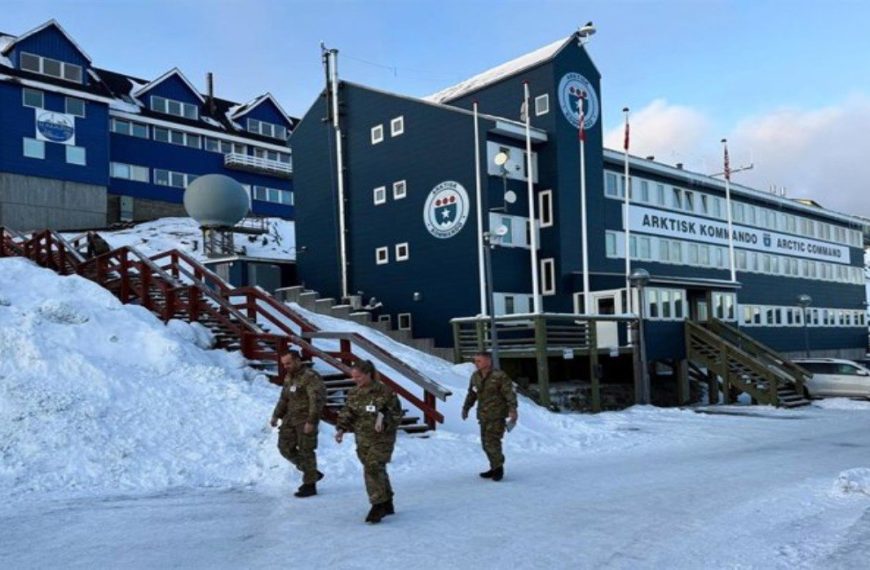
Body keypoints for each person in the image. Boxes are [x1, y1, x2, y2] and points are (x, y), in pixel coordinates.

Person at [335, 360, 402, 524]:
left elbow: (396, 415)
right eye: (353, 377)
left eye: (358, 376)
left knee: (372, 467)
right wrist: (341, 428)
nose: (355, 380)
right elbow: (348, 411)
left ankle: (377, 505)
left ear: (368, 374)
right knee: (377, 469)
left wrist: (385, 421)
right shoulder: (354, 393)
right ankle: (387, 501)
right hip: (363, 438)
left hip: (382, 438)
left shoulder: (384, 392)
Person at [270, 350, 327, 498]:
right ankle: (312, 472)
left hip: (305, 420)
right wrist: (276, 415)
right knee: (284, 448)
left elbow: (317, 401)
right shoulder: (290, 377)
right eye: (284, 364)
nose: (285, 366)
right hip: (290, 419)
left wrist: (311, 421)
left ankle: (309, 485)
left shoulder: (310, 377)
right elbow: (284, 398)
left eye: (288, 363)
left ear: (297, 360)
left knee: (306, 451)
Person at [461, 351, 518, 482]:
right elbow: (472, 394)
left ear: (488, 361)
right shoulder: (475, 376)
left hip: (497, 415)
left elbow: (509, 394)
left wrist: (513, 410)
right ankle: (494, 467)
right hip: (483, 415)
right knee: (485, 444)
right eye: (475, 361)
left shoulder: (500, 376)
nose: (476, 363)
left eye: (479, 361)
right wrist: (466, 408)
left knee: (492, 442)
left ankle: (498, 469)